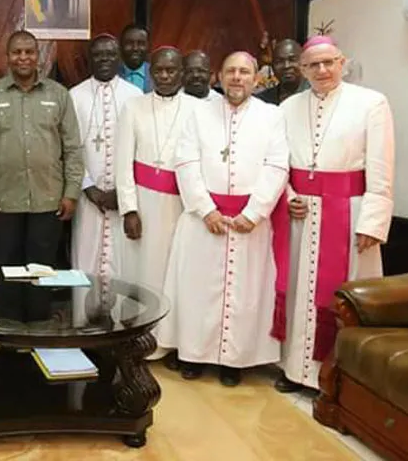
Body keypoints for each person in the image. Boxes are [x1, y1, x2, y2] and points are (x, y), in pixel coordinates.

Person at [274, 36, 394, 393]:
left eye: (329, 62)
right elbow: (279, 164)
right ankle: (295, 370)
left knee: (347, 295)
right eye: (313, 65)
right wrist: (289, 194)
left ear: (342, 62)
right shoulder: (287, 107)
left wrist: (373, 222)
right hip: (303, 216)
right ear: (302, 69)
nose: (322, 70)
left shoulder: (371, 103)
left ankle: (342, 376)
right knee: (299, 291)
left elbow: (381, 169)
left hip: (351, 214)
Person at [165, 51, 289, 386]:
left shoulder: (272, 116)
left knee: (245, 294)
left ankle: (234, 361)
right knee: (197, 291)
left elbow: (277, 165)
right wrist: (206, 210)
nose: (237, 77)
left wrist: (255, 212)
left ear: (256, 78)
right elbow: (185, 161)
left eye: (244, 72)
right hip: (204, 219)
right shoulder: (198, 113)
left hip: (250, 223)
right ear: (218, 77)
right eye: (231, 71)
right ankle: (192, 354)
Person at [0, 30, 83, 320]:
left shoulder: (59, 95)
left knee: (42, 272)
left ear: (38, 56)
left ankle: (39, 329)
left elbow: (72, 149)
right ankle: (9, 333)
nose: (23, 57)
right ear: (7, 57)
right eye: (17, 52)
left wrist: (71, 193)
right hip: (2, 202)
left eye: (29, 52)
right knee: (6, 271)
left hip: (48, 201)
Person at [115, 46, 198, 363]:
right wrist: (129, 209)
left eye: (171, 70)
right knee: (143, 272)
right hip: (145, 205)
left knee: (179, 274)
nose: (164, 76)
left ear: (182, 73)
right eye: (159, 71)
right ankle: (139, 337)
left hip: (183, 205)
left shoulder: (197, 109)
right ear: (151, 73)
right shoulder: (133, 107)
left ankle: (174, 341)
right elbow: (124, 162)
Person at [69, 34, 141, 283]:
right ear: (89, 59)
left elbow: (140, 149)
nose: (104, 60)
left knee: (124, 262)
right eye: (98, 55)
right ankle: (82, 319)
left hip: (125, 198)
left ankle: (123, 321)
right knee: (85, 258)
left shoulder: (134, 96)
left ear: (118, 57)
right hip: (88, 197)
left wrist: (122, 192)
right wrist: (89, 187)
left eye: (110, 54)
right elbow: (69, 148)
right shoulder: (74, 96)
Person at [257, 39, 308, 105]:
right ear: (272, 66)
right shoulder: (262, 101)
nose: (286, 66)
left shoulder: (317, 94)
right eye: (279, 61)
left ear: (304, 63)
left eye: (292, 60)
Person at [118, 24, 153, 93]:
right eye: (129, 43)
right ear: (121, 46)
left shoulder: (156, 74)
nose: (135, 48)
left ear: (149, 46)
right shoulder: (112, 74)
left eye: (141, 43)